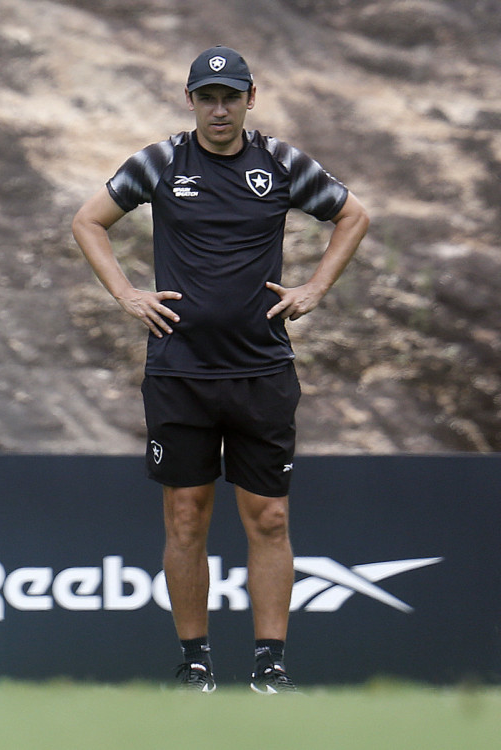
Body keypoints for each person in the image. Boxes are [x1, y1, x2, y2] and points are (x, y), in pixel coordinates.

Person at [72, 47, 369, 693]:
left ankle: (269, 667)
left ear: (249, 99)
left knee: (269, 519)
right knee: (185, 515)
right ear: (191, 101)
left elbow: (353, 214)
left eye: (229, 96)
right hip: (179, 372)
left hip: (262, 371)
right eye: (207, 96)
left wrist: (315, 287)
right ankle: (195, 664)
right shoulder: (161, 161)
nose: (218, 108)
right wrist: (127, 293)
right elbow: (88, 220)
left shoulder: (282, 163)